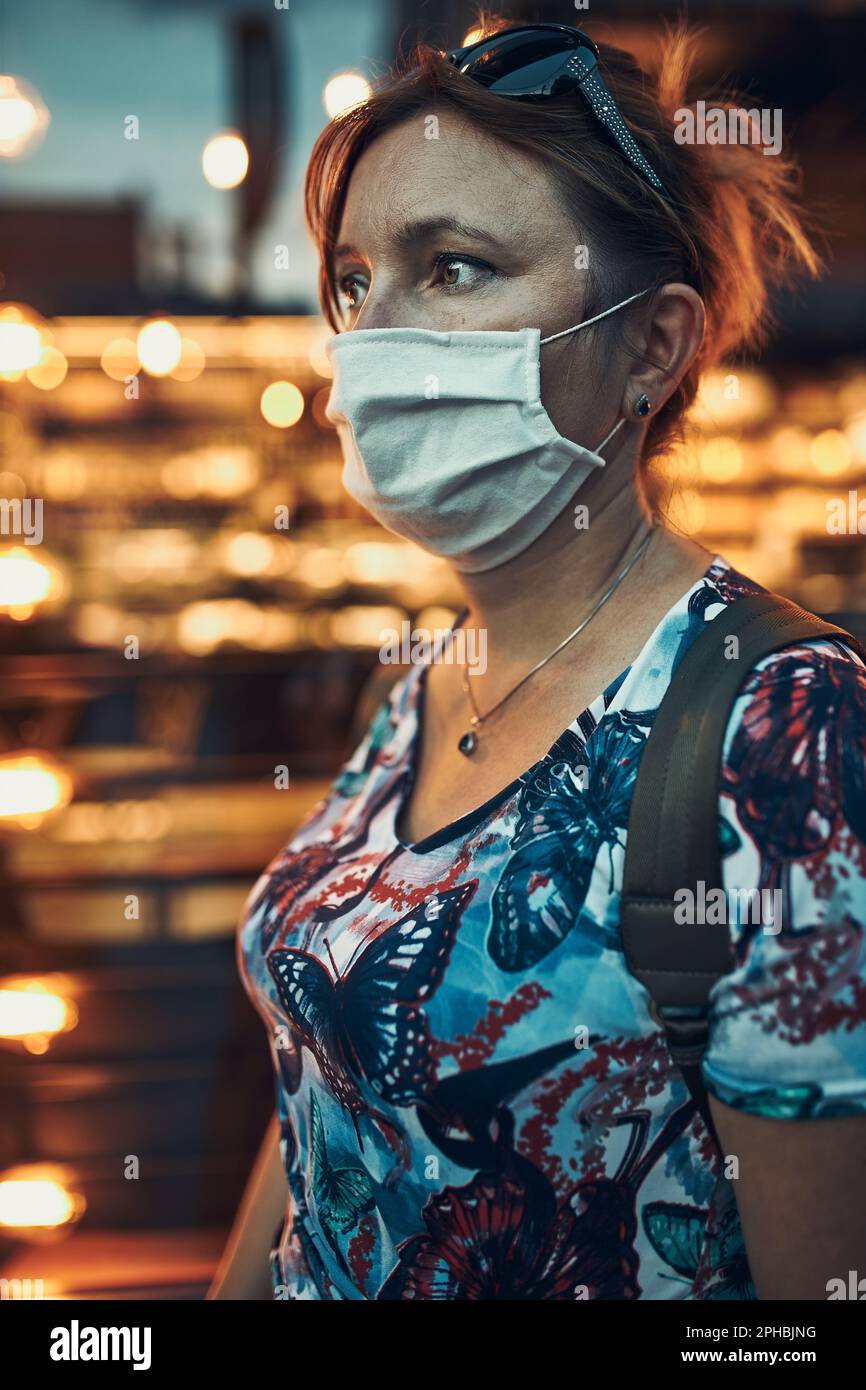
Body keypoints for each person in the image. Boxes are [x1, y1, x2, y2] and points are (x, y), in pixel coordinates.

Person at [214, 20, 866, 1300]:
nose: (374, 336)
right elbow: (322, 1098)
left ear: (649, 346)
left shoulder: (777, 726)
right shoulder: (417, 685)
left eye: (453, 267)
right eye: (351, 283)